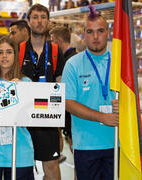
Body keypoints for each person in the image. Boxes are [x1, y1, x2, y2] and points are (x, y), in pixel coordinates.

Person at [61, 10, 119, 180]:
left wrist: (123, 104)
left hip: (116, 142)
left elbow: (133, 99)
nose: (95, 36)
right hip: (86, 146)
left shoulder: (120, 63)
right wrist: (102, 117)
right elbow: (68, 102)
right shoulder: (73, 64)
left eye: (100, 31)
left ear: (108, 33)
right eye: (90, 31)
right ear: (84, 35)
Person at [0, 36, 35, 180]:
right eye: (0, 52)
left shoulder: (26, 82)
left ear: (15, 55)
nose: (4, 56)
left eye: (9, 52)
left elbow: (32, 118)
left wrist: (21, 93)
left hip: (20, 153)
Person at [21, 4, 65, 180]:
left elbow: (60, 87)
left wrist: (59, 131)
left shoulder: (55, 51)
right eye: (35, 17)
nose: (39, 21)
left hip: (47, 118)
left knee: (52, 168)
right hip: (21, 118)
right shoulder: (18, 49)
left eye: (43, 17)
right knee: (22, 168)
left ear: (48, 21)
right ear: (28, 22)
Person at [49, 26, 77, 160]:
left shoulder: (69, 62)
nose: (50, 45)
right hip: (70, 116)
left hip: (73, 116)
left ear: (59, 41)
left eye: (52, 41)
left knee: (78, 155)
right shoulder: (71, 59)